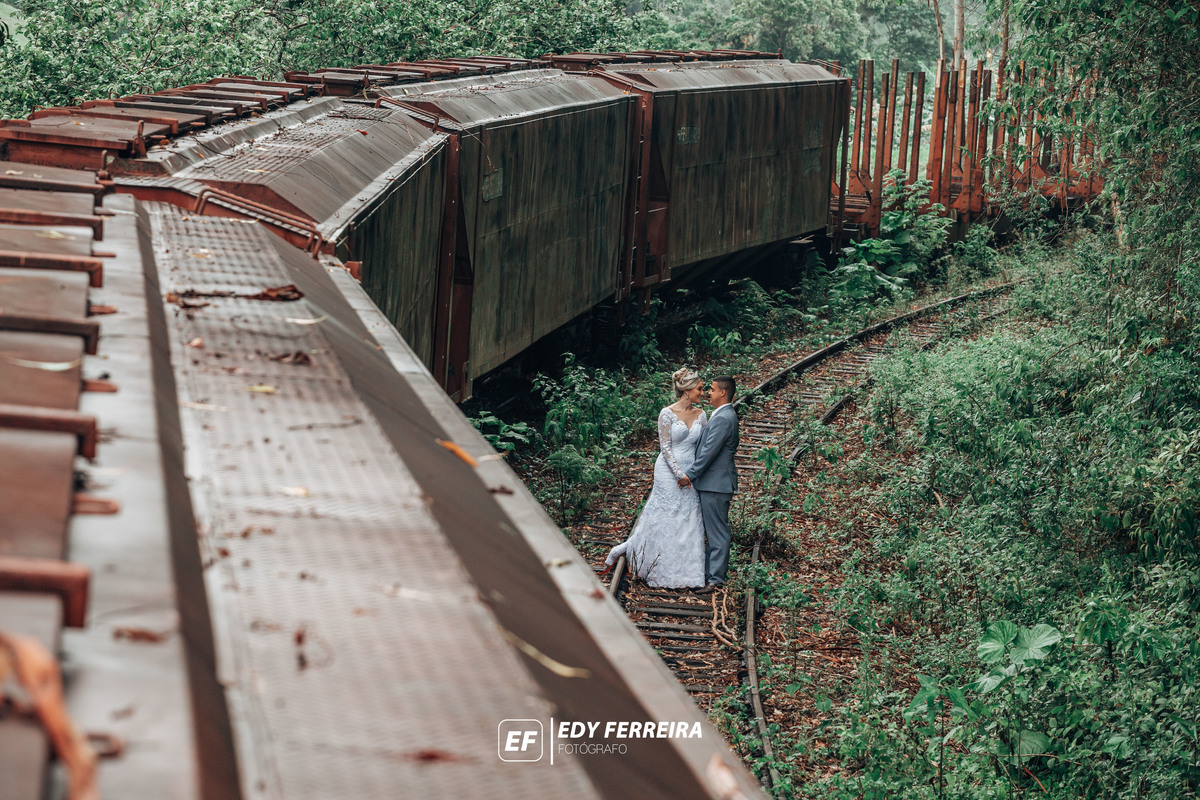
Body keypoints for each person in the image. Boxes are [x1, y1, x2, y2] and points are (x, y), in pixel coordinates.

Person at [604, 367, 707, 588]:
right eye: (699, 389)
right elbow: (665, 447)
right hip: (668, 472)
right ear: (687, 390)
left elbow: (703, 447)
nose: (703, 392)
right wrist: (679, 474)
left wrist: (693, 473)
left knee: (688, 517)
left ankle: (688, 573)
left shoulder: (701, 415)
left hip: (691, 472)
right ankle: (659, 566)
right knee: (666, 515)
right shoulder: (666, 413)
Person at [680, 375, 739, 594]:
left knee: (717, 532)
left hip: (716, 483)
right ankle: (709, 574)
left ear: (723, 393)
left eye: (712, 390)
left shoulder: (724, 418)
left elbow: (708, 453)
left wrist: (690, 475)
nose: (708, 393)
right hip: (714, 483)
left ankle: (715, 579)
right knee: (714, 531)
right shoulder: (722, 415)